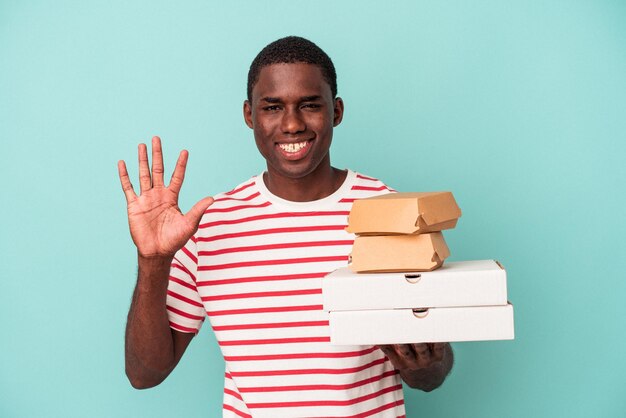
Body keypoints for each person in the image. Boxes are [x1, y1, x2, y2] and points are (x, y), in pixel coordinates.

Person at [118, 36, 453, 417]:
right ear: (249, 115)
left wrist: (425, 368)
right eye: (272, 107)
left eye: (310, 106)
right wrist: (153, 260)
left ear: (336, 111)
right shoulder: (209, 226)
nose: (292, 125)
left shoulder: (390, 214)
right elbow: (144, 374)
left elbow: (433, 370)